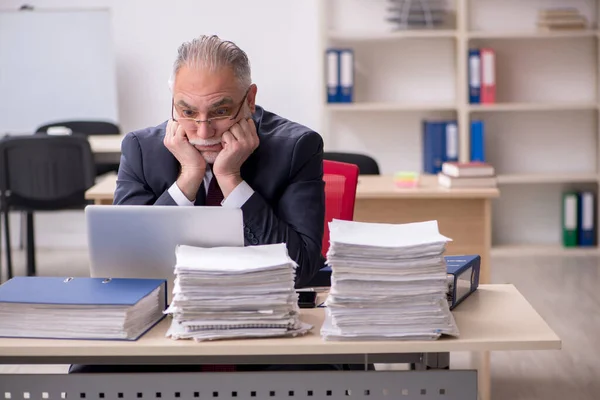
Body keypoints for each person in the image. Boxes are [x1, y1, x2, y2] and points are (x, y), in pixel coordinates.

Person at [113, 34, 325, 288]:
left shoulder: (296, 148)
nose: (203, 132)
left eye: (220, 112)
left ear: (249, 100)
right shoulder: (141, 150)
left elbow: (299, 270)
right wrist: (189, 176)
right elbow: (127, 264)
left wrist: (230, 179)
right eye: (188, 112)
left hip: (261, 302)